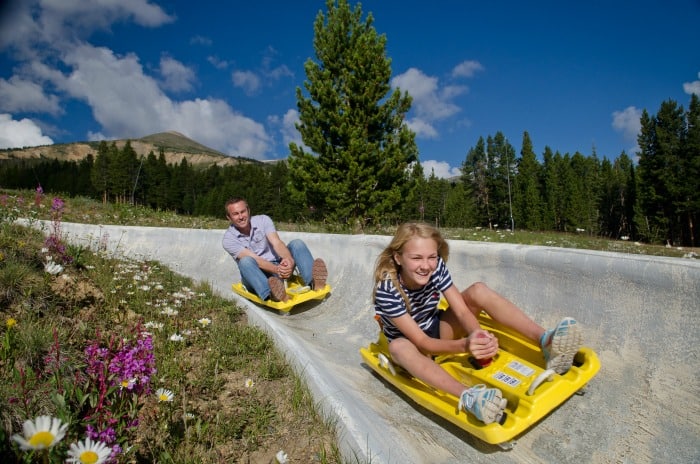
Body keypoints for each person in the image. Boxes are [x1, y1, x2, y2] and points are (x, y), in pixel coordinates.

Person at [372, 222, 582, 425]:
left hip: (437, 328)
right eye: (416, 258)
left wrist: (479, 337)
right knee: (398, 347)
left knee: (478, 290)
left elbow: (462, 310)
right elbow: (422, 341)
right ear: (398, 258)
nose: (426, 265)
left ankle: (545, 340)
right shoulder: (387, 291)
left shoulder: (435, 268)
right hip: (414, 346)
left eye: (432, 257)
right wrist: (465, 345)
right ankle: (469, 397)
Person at [222, 197, 327, 302]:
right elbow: (256, 260)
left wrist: (288, 261)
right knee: (245, 262)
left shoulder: (263, 220)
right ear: (229, 217)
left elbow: (277, 243)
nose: (241, 217)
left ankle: (314, 282)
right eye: (235, 214)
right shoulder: (228, 239)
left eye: (243, 212)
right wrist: (278, 270)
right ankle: (272, 293)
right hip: (257, 274)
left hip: (278, 266)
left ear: (248, 211)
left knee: (297, 244)